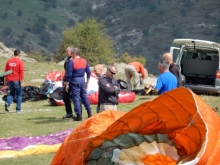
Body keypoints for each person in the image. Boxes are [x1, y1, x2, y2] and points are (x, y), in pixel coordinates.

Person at [65, 47, 92, 121]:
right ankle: (89, 112)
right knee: (84, 97)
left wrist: (67, 84)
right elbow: (89, 72)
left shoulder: (72, 62)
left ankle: (78, 115)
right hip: (82, 80)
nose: (71, 55)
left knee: (76, 98)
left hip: (75, 80)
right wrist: (87, 82)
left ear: (74, 53)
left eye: (71, 53)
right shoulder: (84, 61)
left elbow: (69, 74)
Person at [62, 46, 74, 119]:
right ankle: (69, 113)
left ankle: (79, 113)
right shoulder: (67, 60)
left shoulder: (74, 60)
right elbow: (66, 71)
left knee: (75, 97)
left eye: (68, 51)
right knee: (65, 96)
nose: (66, 53)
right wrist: (64, 80)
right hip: (67, 81)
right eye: (66, 51)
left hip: (73, 81)